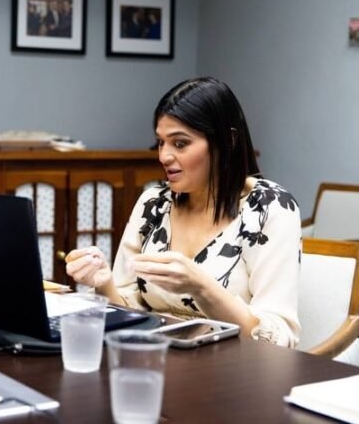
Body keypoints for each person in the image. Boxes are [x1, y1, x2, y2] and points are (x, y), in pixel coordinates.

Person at [66, 77, 301, 347]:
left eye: (180, 144)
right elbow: (129, 314)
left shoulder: (269, 208)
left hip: (237, 370)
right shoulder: (154, 203)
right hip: (155, 359)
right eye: (160, 143)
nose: (164, 156)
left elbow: (279, 341)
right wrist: (104, 283)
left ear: (228, 140)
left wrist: (200, 286)